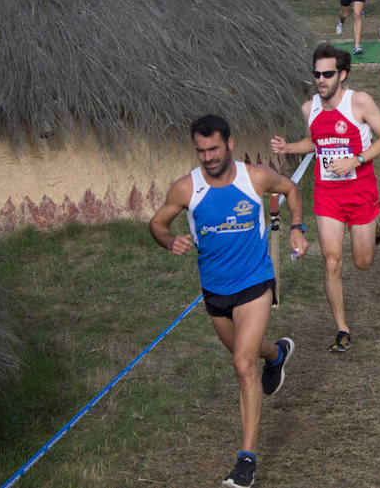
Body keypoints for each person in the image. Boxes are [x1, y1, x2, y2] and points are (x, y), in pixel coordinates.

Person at [149, 114, 310, 488]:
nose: (207, 157)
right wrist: (168, 240)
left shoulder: (253, 178)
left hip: (255, 282)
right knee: (247, 353)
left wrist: (297, 228)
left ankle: (246, 458)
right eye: (201, 150)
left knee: (241, 365)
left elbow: (291, 189)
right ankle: (276, 355)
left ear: (230, 144)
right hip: (215, 291)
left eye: (214, 148)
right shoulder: (186, 189)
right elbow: (157, 223)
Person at [271, 45, 380, 353]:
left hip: (361, 192)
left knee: (363, 262)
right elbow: (314, 143)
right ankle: (342, 328)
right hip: (328, 195)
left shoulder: (360, 102)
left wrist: (357, 159)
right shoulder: (308, 108)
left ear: (342, 74)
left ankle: (373, 224)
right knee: (331, 260)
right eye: (317, 74)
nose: (321, 80)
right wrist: (288, 148)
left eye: (327, 74)